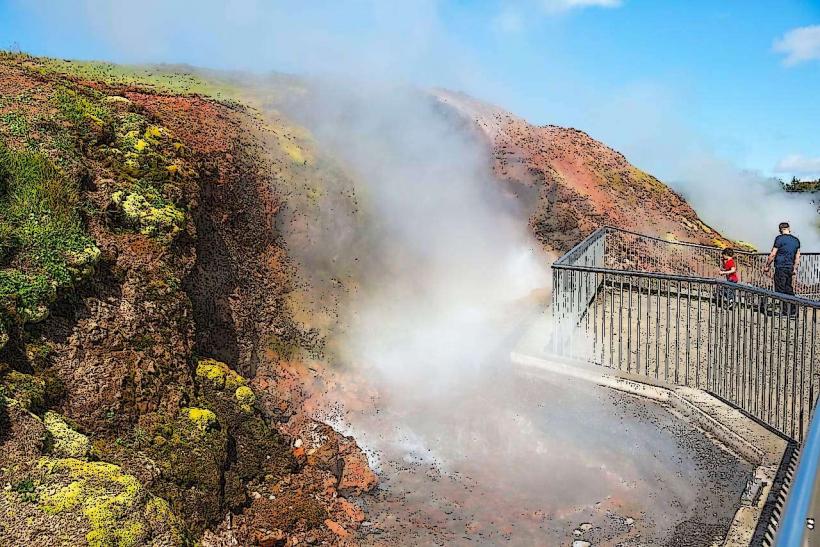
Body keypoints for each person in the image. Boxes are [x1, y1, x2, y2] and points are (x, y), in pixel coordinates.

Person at [763, 222, 801, 314]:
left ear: (780, 230)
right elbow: (798, 257)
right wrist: (794, 268)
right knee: (788, 288)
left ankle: (785, 311)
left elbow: (772, 254)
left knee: (780, 289)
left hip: (780, 267)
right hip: (790, 268)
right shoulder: (796, 240)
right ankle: (793, 310)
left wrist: (767, 266)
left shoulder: (779, 239)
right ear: (789, 228)